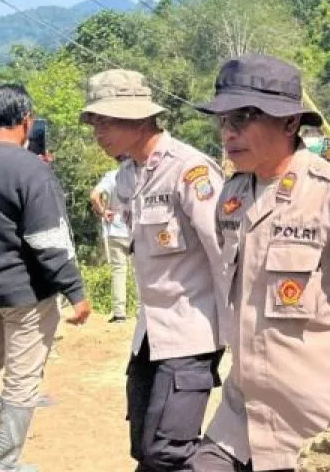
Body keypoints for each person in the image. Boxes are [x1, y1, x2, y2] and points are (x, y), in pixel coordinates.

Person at [191, 53, 330, 472]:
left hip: (315, 430)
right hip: (240, 420)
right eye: (223, 120)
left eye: (245, 117)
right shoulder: (232, 197)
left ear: (290, 123)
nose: (229, 133)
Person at [80, 69, 226, 472]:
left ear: (139, 119)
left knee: (170, 451)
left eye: (106, 121)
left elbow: (224, 255)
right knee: (145, 447)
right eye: (95, 122)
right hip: (150, 334)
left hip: (192, 333)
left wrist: (239, 334)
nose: (98, 132)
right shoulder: (127, 175)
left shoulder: (189, 171)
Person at [0, 84, 91, 472]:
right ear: (26, 120)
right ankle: (6, 464)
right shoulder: (30, 169)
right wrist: (75, 290)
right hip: (25, 293)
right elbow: (47, 241)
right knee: (21, 382)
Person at [89, 164, 131, 323]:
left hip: (116, 230)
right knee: (139, 272)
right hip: (136, 229)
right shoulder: (140, 174)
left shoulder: (112, 175)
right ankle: (144, 314)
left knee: (119, 271)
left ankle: (120, 314)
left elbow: (94, 195)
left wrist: (102, 211)